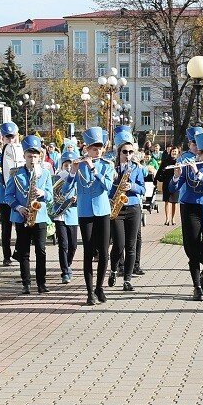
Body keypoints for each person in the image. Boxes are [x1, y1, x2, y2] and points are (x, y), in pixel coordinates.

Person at [63, 127, 115, 305]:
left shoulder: (107, 165)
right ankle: (89, 291)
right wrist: (72, 172)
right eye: (94, 148)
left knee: (104, 252)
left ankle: (100, 287)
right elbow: (65, 190)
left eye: (99, 148)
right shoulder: (78, 166)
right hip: (85, 213)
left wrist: (94, 168)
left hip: (102, 211)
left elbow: (108, 186)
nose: (97, 151)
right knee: (88, 251)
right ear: (86, 149)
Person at [170, 130, 203, 301]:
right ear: (200, 153)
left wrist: (198, 173)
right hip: (190, 208)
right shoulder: (188, 165)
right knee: (192, 249)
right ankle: (197, 286)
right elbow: (173, 189)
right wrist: (176, 176)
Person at [5, 135, 54, 295]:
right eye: (29, 156)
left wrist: (42, 193)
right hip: (22, 216)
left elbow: (51, 196)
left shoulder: (45, 174)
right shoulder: (16, 173)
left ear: (40, 157)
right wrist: (18, 207)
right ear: (24, 156)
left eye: (35, 156)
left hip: (39, 216)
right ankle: (26, 283)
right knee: (24, 252)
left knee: (41, 251)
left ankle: (41, 283)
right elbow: (8, 195)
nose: (32, 159)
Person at [108, 127, 146, 292]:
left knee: (131, 245)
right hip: (118, 208)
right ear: (119, 152)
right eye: (125, 151)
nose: (128, 155)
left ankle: (128, 280)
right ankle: (114, 269)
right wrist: (114, 181)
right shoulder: (112, 168)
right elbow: (107, 189)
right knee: (119, 244)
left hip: (133, 207)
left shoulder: (137, 168)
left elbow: (144, 189)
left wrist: (133, 186)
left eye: (131, 151)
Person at [52, 148, 79, 283]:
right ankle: (65, 271)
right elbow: (53, 195)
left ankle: (68, 264)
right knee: (63, 244)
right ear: (62, 165)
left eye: (70, 164)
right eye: (66, 164)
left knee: (73, 245)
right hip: (60, 214)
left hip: (73, 215)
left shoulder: (78, 177)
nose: (68, 167)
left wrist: (76, 198)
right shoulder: (57, 177)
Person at [0, 122, 20, 266]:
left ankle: (18, 251)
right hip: (5, 196)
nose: (10, 140)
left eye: (12, 137)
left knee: (20, 225)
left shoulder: (20, 151)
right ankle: (6, 256)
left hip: (18, 194)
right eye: (7, 137)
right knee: (6, 228)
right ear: (2, 138)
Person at [156, 146, 180, 225]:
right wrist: (156, 179)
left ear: (178, 153)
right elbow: (159, 171)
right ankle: (167, 219)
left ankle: (173, 219)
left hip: (176, 183)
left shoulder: (179, 161)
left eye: (175, 151)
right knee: (167, 201)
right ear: (170, 152)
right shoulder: (165, 161)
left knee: (174, 202)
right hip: (166, 182)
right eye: (173, 151)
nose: (174, 153)